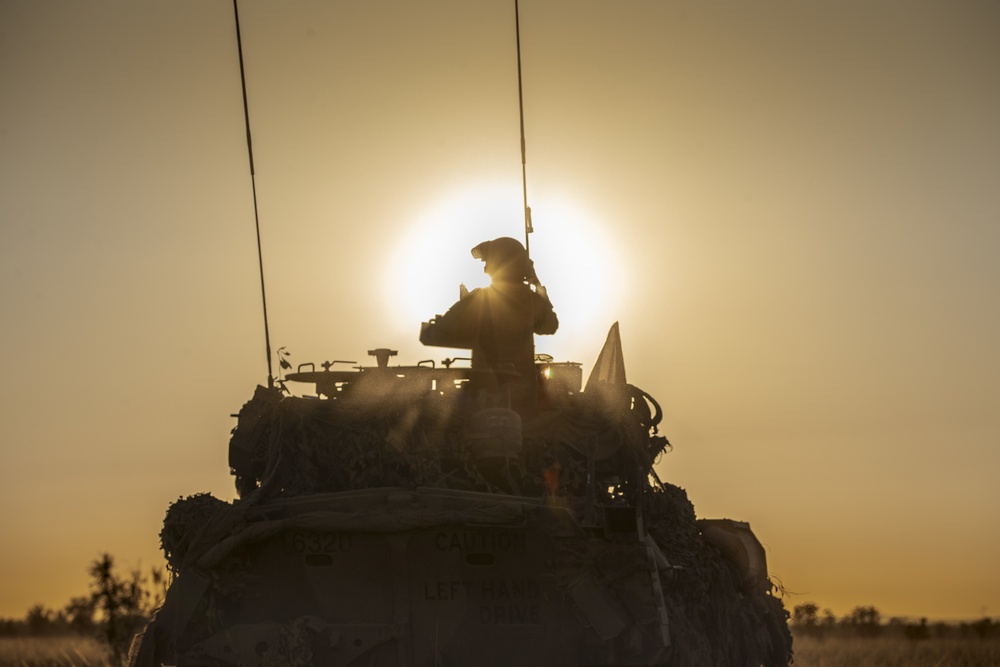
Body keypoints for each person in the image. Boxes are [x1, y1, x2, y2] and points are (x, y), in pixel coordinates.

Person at [420, 237, 558, 409]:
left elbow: (433, 335)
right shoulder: (532, 301)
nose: (485, 268)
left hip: (486, 400)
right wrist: (536, 283)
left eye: (487, 262)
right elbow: (551, 325)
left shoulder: (481, 299)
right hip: (525, 398)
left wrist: (439, 327)